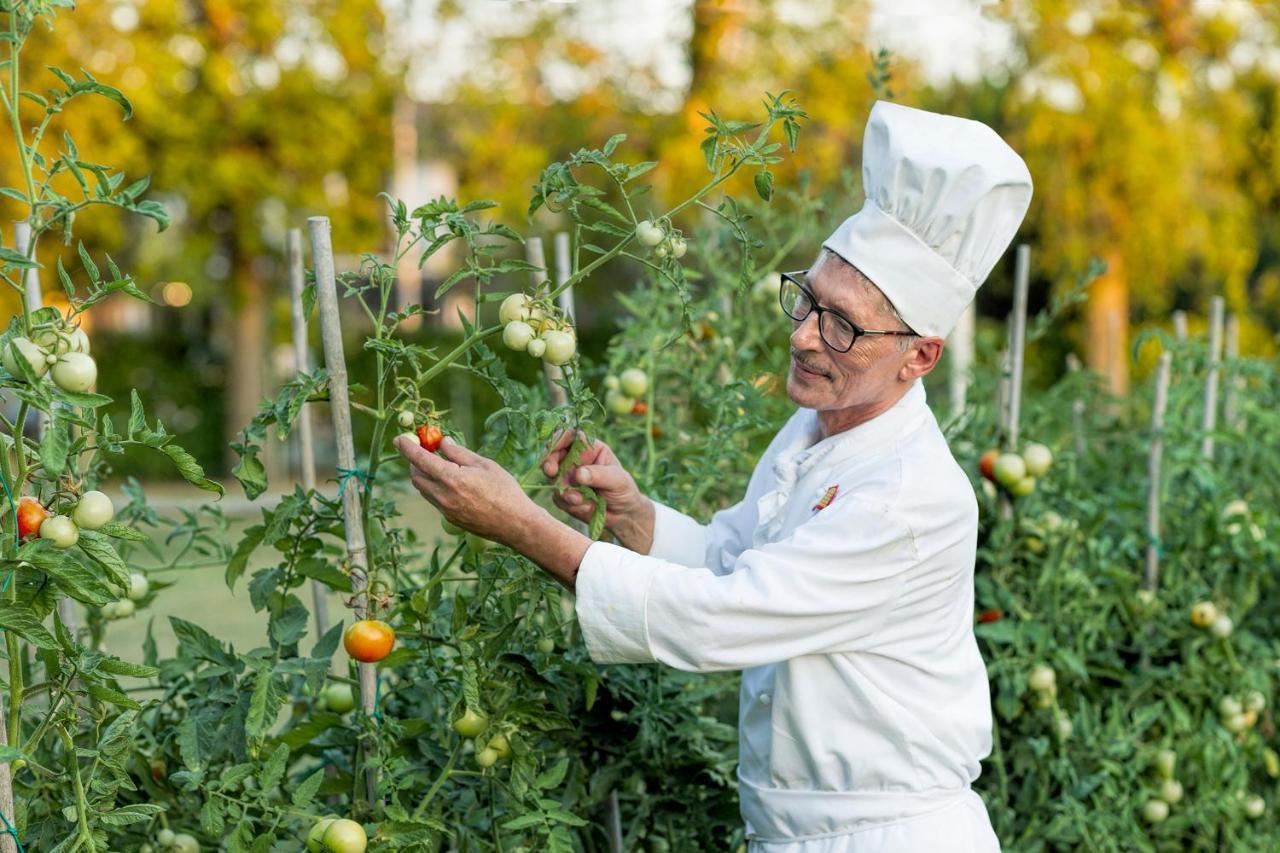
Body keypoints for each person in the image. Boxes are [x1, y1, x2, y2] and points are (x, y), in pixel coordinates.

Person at [396, 100, 1033, 852]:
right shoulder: (817, 431)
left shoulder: (909, 497)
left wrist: (519, 525)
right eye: (808, 299)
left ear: (919, 355)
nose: (801, 335)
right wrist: (633, 514)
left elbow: (722, 617)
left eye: (842, 325)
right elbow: (736, 560)